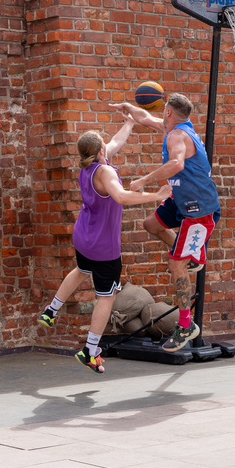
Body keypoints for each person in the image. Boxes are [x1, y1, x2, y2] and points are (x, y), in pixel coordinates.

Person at [37, 119, 172, 374]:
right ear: (99, 151)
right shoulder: (106, 172)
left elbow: (117, 142)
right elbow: (120, 196)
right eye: (104, 146)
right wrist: (157, 196)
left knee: (80, 271)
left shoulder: (89, 164)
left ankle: (51, 309)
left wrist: (130, 122)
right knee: (106, 297)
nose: (107, 148)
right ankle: (90, 349)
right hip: (103, 246)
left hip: (83, 236)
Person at [110, 93, 221, 352]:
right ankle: (191, 254)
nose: (161, 114)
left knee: (176, 264)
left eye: (164, 109)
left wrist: (143, 181)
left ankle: (186, 325)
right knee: (151, 224)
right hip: (181, 201)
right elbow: (145, 118)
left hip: (199, 211)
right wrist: (129, 108)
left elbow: (176, 163)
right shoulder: (178, 128)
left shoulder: (177, 137)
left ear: (169, 111)